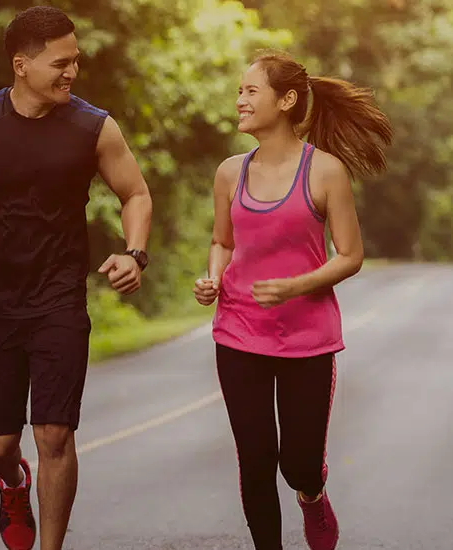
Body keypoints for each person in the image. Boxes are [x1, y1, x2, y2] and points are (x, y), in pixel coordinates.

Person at [0, 6, 152, 550]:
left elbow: (136, 194)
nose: (72, 73)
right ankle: (13, 482)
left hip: (59, 297)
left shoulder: (93, 127)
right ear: (21, 64)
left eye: (75, 61)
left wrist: (135, 253)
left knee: (55, 433)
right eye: (60, 63)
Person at [193, 50, 392, 550]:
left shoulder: (325, 172)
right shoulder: (229, 173)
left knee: (297, 463)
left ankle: (312, 495)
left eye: (250, 91)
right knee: (255, 458)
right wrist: (213, 277)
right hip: (238, 331)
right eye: (239, 91)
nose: (239, 100)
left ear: (285, 100)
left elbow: (350, 255)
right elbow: (222, 241)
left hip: (307, 337)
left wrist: (295, 285)